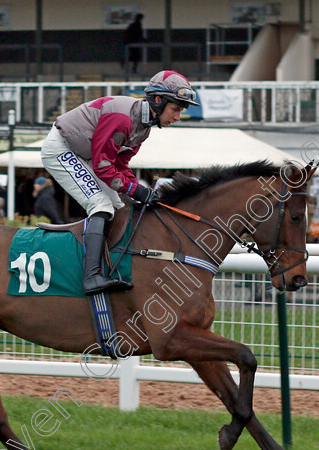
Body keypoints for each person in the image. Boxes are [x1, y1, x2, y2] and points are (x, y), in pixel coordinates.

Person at [40, 69, 199, 295]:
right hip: (61, 149)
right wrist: (135, 190)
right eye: (175, 109)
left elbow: (120, 166)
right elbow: (104, 166)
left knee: (119, 206)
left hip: (86, 156)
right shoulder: (122, 119)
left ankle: (109, 267)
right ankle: (91, 277)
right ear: (157, 100)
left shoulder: (143, 128)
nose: (177, 117)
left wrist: (141, 191)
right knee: (101, 205)